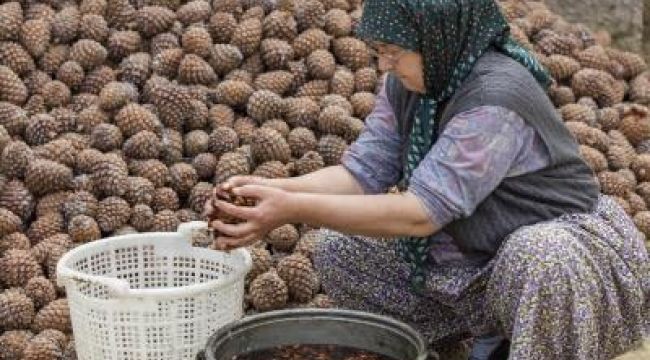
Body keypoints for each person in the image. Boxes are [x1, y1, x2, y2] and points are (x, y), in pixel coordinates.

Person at [204, 1, 650, 358]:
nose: (383, 65)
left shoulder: (494, 100)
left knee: (538, 255)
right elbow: (361, 174)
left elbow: (421, 214)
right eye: (380, 51)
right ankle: (473, 336)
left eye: (394, 53)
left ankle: (532, 342)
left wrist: (291, 210)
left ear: (436, 38)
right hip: (478, 255)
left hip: (568, 268)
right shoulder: (415, 81)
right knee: (340, 250)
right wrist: (263, 192)